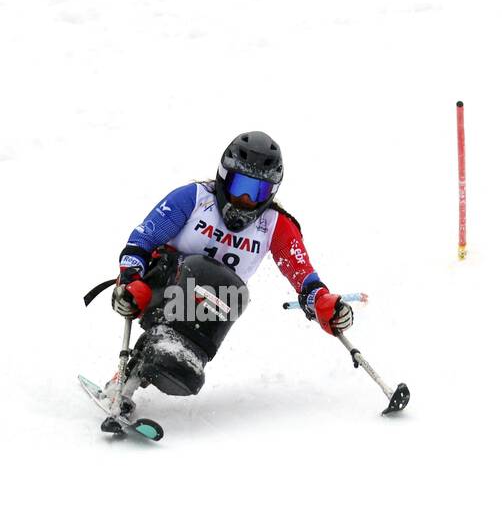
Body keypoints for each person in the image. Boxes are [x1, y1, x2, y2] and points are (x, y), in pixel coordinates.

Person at [105, 130, 353, 420]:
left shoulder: (276, 224)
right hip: (162, 286)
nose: (246, 199)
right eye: (240, 185)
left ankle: (179, 358)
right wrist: (130, 279)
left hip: (211, 306)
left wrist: (322, 303)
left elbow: (304, 276)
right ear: (224, 177)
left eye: (257, 191)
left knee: (231, 288)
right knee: (203, 270)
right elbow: (142, 241)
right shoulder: (194, 198)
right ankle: (128, 376)